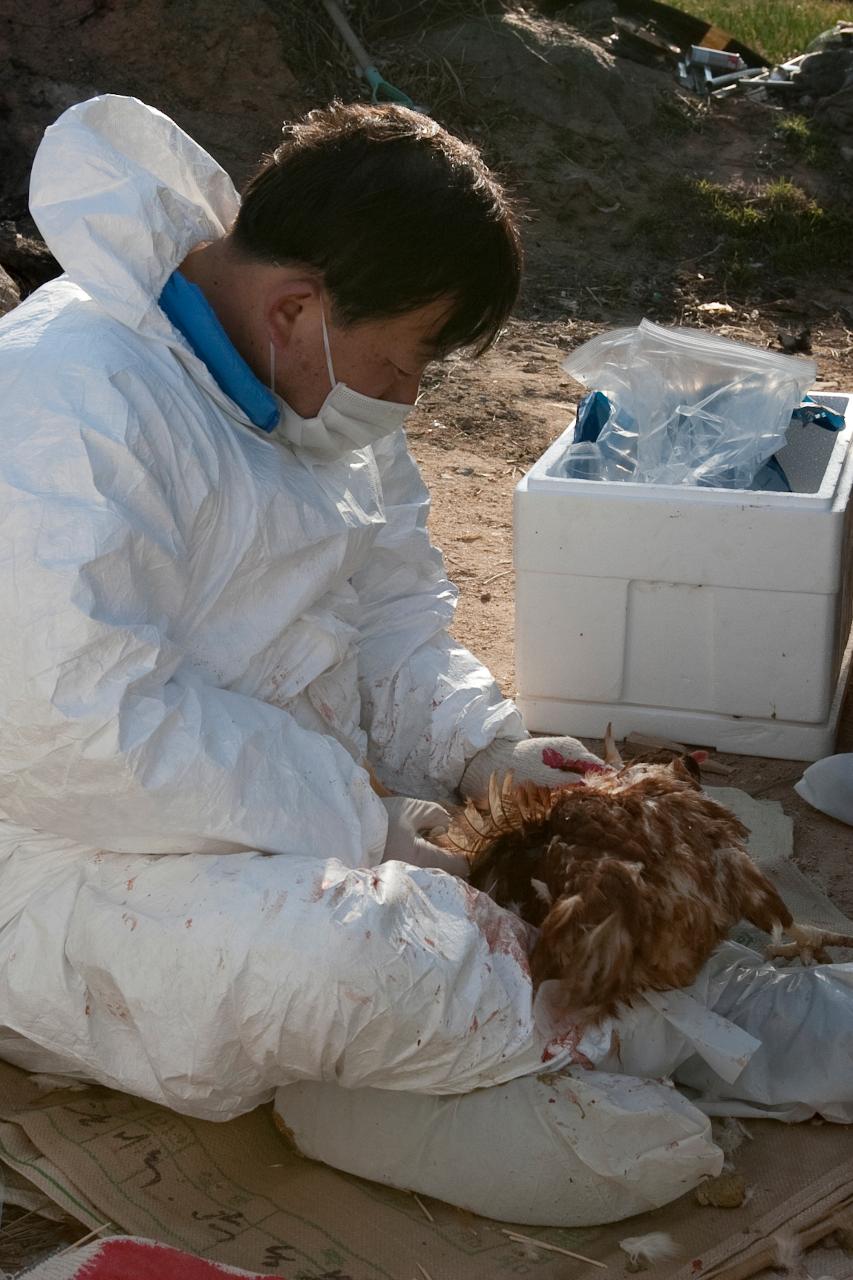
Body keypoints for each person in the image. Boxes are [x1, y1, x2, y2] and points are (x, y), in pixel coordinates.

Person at [0, 94, 601, 1111]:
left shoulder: (319, 389)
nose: (404, 397)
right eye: (403, 361)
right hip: (66, 842)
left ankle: (612, 1029)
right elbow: (75, 729)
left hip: (276, 797)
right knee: (394, 967)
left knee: (521, 911)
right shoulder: (71, 400)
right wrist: (359, 819)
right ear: (293, 308)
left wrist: (483, 751)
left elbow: (392, 617)